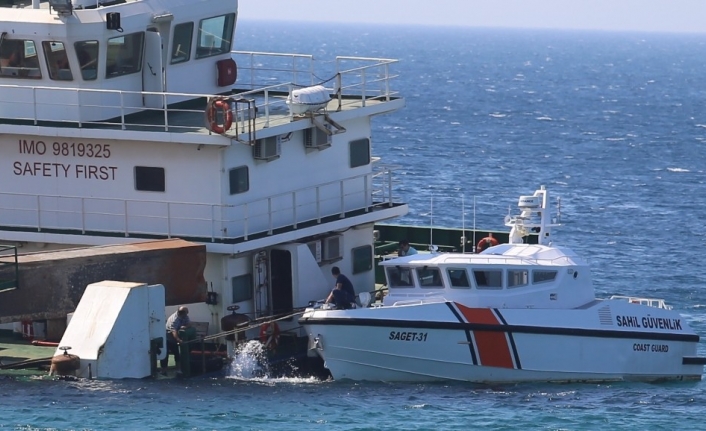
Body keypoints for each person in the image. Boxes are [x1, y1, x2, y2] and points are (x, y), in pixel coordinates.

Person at [160, 306, 191, 375]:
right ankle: (164, 370)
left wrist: (185, 326)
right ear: (182, 313)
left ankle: (178, 369)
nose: (188, 313)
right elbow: (173, 331)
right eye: (187, 312)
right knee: (166, 354)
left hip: (174, 337)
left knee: (177, 353)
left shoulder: (185, 316)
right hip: (168, 337)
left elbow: (189, 323)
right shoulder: (174, 319)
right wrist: (178, 340)